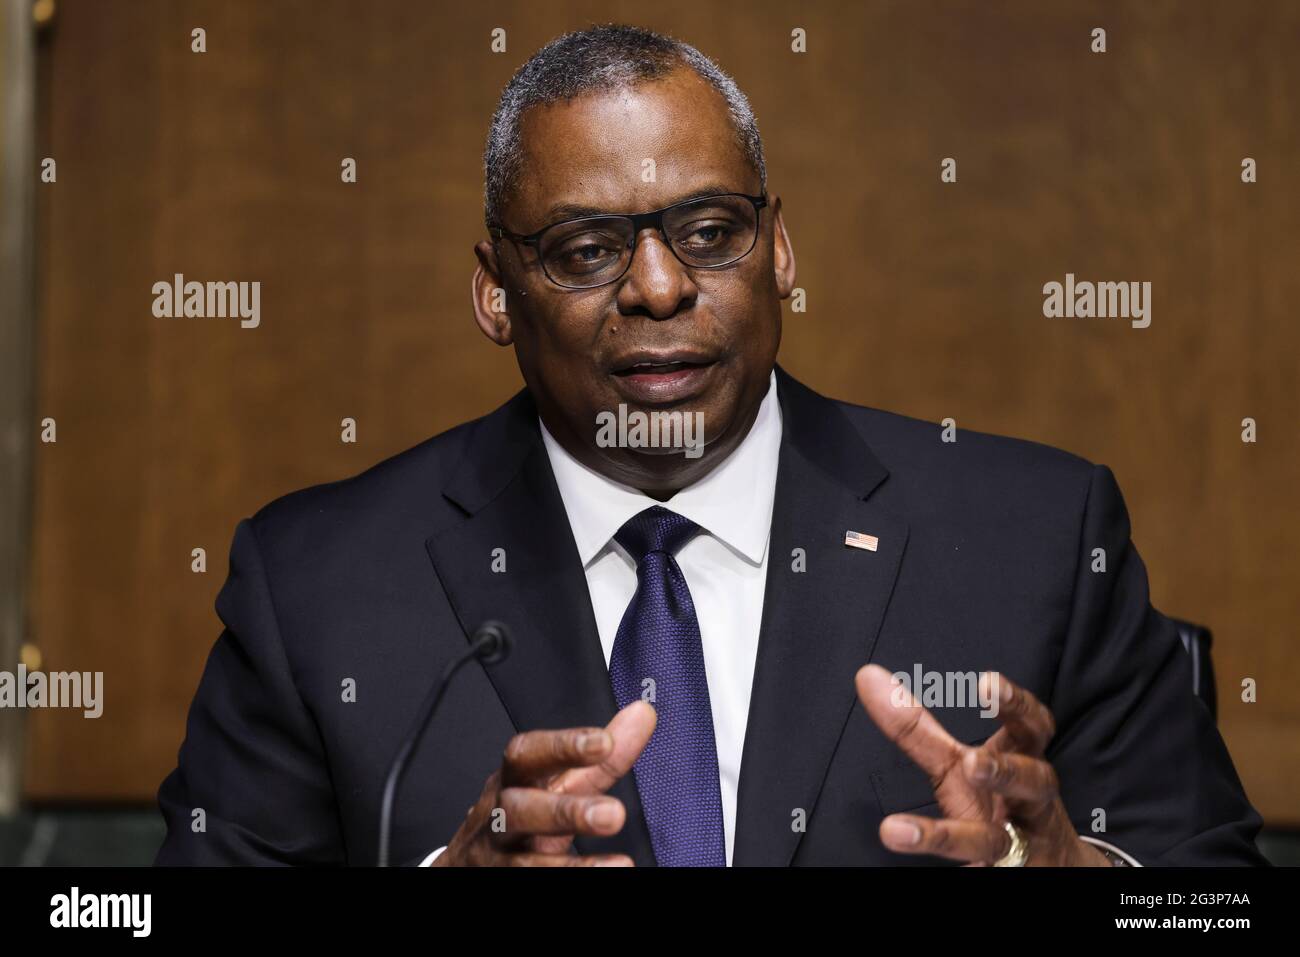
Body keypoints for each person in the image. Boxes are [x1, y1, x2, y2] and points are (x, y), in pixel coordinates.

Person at [156, 24, 1264, 867]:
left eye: (709, 232)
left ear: (778, 251)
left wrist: (1067, 866)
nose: (659, 286)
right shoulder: (316, 586)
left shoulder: (1036, 537)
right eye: (586, 249)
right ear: (495, 294)